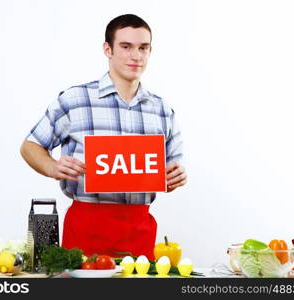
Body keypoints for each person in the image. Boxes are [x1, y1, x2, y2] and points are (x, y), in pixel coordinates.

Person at [20, 14, 187, 260]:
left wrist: (176, 177)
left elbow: (169, 171)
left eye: (143, 47)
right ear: (107, 49)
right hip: (86, 227)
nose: (136, 56)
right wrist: (52, 166)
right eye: (126, 46)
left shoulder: (162, 110)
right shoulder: (75, 99)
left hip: (139, 229)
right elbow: (30, 146)